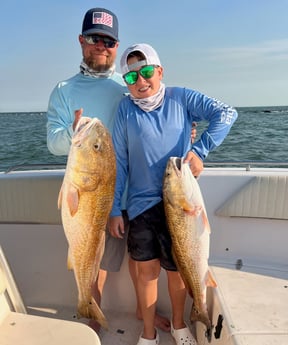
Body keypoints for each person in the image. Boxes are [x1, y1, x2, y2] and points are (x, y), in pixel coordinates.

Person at [46, 8, 171, 332]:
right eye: (93, 38)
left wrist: (187, 133)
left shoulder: (128, 82)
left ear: (116, 47)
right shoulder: (63, 90)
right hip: (96, 191)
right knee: (95, 257)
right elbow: (53, 141)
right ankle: (91, 312)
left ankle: (142, 314)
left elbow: (157, 117)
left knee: (142, 261)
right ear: (81, 41)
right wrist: (74, 133)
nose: (101, 46)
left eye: (109, 41)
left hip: (140, 189)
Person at [109, 43, 238, 345]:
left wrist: (200, 149)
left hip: (180, 204)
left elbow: (226, 113)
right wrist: (115, 208)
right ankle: (149, 333)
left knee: (177, 271)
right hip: (140, 206)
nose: (141, 82)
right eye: (131, 78)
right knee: (147, 272)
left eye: (147, 72)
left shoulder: (181, 97)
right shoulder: (125, 110)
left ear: (160, 70)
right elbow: (120, 162)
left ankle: (181, 327)